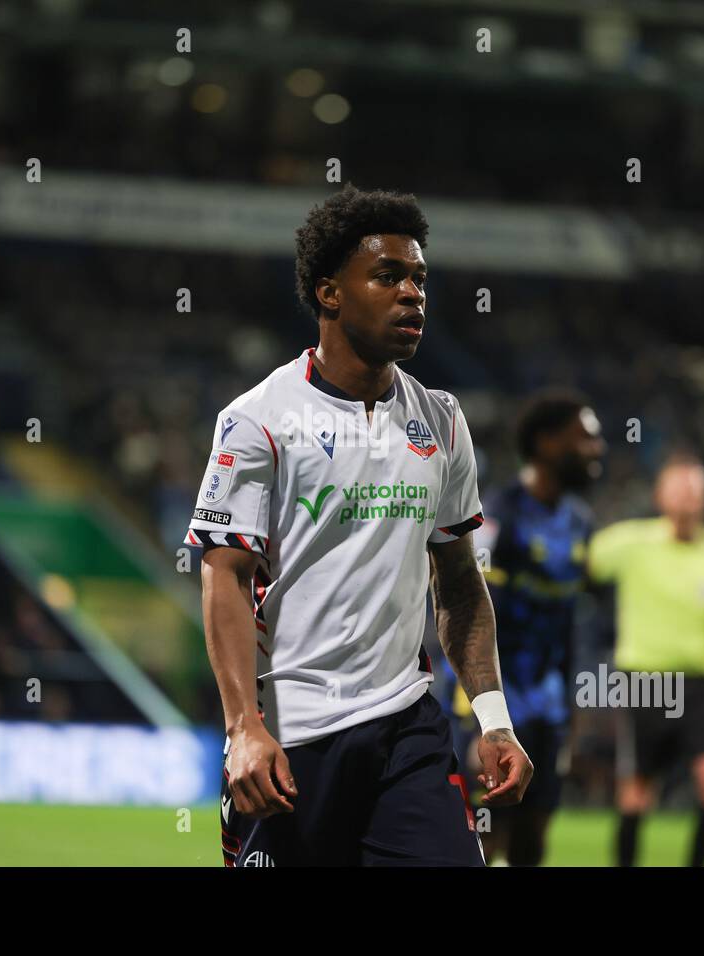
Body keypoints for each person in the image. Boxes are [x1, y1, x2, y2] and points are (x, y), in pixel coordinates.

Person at [186, 184, 532, 866]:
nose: (412, 294)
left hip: (406, 731)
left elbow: (459, 585)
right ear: (329, 294)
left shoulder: (441, 420)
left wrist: (493, 719)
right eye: (388, 276)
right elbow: (222, 577)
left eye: (419, 279)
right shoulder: (258, 419)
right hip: (291, 736)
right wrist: (242, 730)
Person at [587, 453, 704, 867]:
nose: (688, 498)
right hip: (644, 680)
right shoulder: (629, 543)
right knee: (635, 795)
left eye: (696, 489)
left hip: (699, 684)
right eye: (680, 488)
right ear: (660, 494)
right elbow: (580, 562)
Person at [453, 388, 604, 865]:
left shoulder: (580, 522)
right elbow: (470, 611)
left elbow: (569, 626)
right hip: (497, 699)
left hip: (550, 706)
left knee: (534, 836)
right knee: (486, 831)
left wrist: (574, 712)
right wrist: (473, 705)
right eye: (585, 439)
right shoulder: (500, 516)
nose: (596, 450)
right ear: (544, 443)